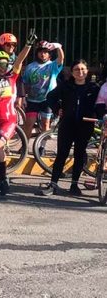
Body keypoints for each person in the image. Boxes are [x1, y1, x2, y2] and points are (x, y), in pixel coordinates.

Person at [0, 33, 34, 196]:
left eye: (5, 64)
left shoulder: (11, 77)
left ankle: (3, 182)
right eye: (0, 65)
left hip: (8, 119)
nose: (4, 67)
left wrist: (28, 46)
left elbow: (19, 60)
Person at [37, 60, 100, 196]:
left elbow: (100, 104)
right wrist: (57, 109)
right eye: (76, 69)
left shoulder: (94, 88)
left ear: (87, 71)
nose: (80, 72)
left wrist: (98, 115)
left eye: (83, 69)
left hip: (85, 125)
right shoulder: (65, 86)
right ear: (72, 72)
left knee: (79, 154)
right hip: (67, 124)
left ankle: (74, 185)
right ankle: (53, 184)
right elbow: (50, 97)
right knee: (62, 154)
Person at [22, 40, 64, 139]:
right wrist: (23, 97)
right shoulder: (30, 67)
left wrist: (58, 47)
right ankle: (24, 145)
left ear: (49, 54)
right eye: (40, 51)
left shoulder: (52, 65)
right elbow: (25, 83)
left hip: (47, 100)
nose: (43, 54)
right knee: (29, 123)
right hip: (32, 100)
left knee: (45, 124)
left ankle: (42, 146)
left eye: (45, 52)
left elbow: (61, 59)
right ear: (37, 53)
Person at [0, 33, 27, 112]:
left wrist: (20, 97)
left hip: (11, 91)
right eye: (8, 45)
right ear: (2, 45)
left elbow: (19, 80)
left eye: (13, 45)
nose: (11, 47)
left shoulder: (17, 59)